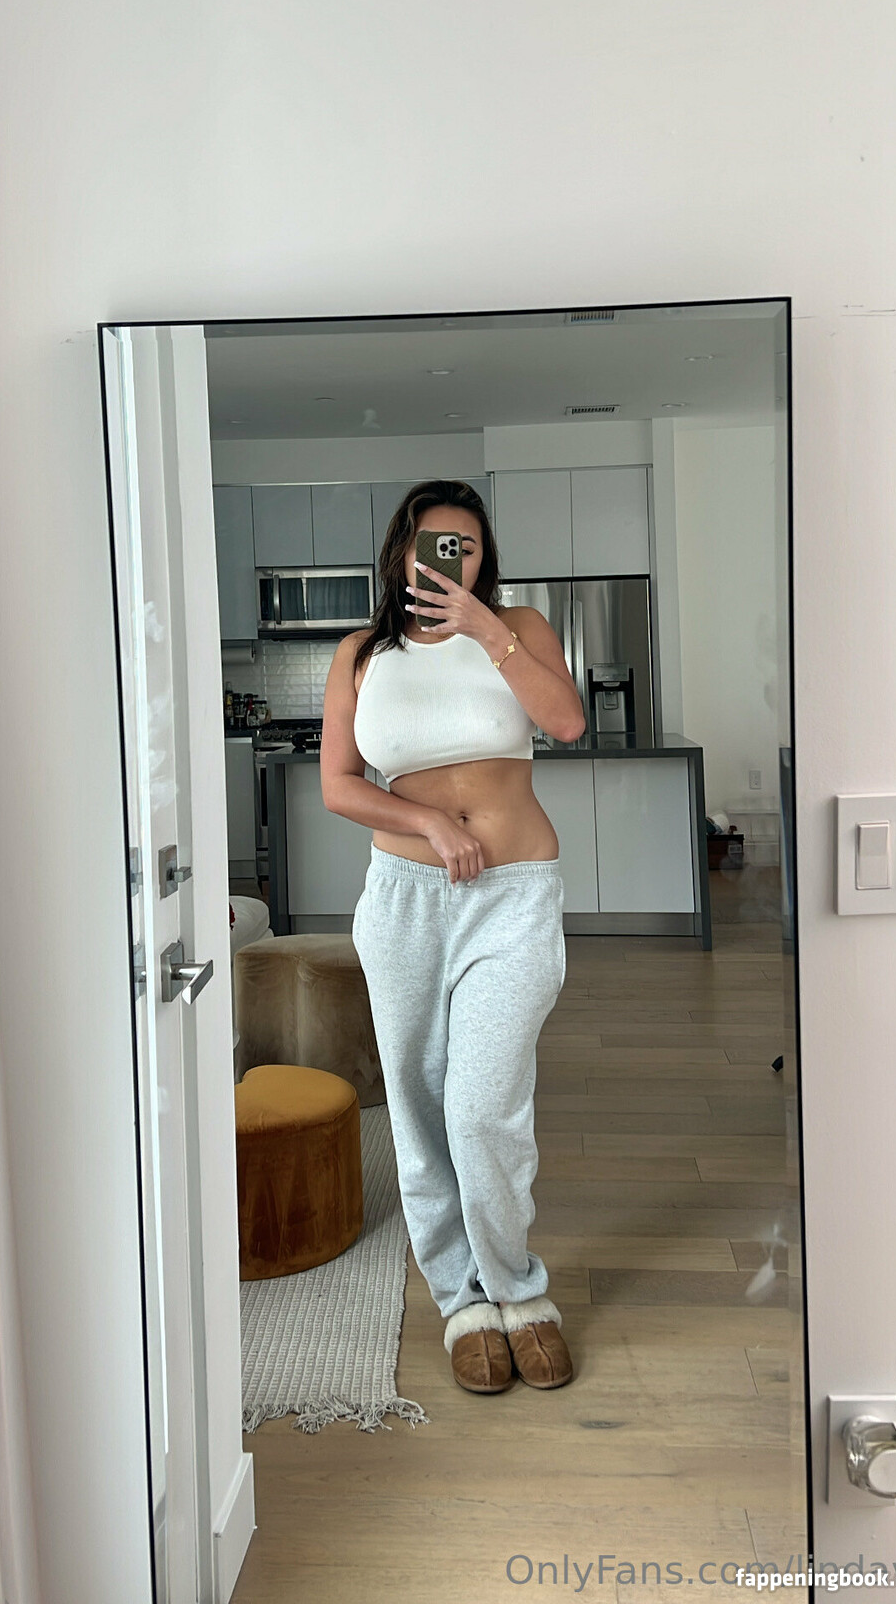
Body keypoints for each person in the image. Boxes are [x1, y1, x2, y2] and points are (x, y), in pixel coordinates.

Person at [320, 479, 586, 1395]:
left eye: (465, 547)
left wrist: (484, 628)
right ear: (402, 553)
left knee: (482, 1106)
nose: (450, 560)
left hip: (512, 895)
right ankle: (461, 1300)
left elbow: (566, 721)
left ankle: (518, 1288)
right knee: (419, 1101)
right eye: (434, 544)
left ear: (483, 558)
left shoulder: (519, 628)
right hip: (405, 899)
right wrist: (428, 824)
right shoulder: (362, 655)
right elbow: (339, 784)